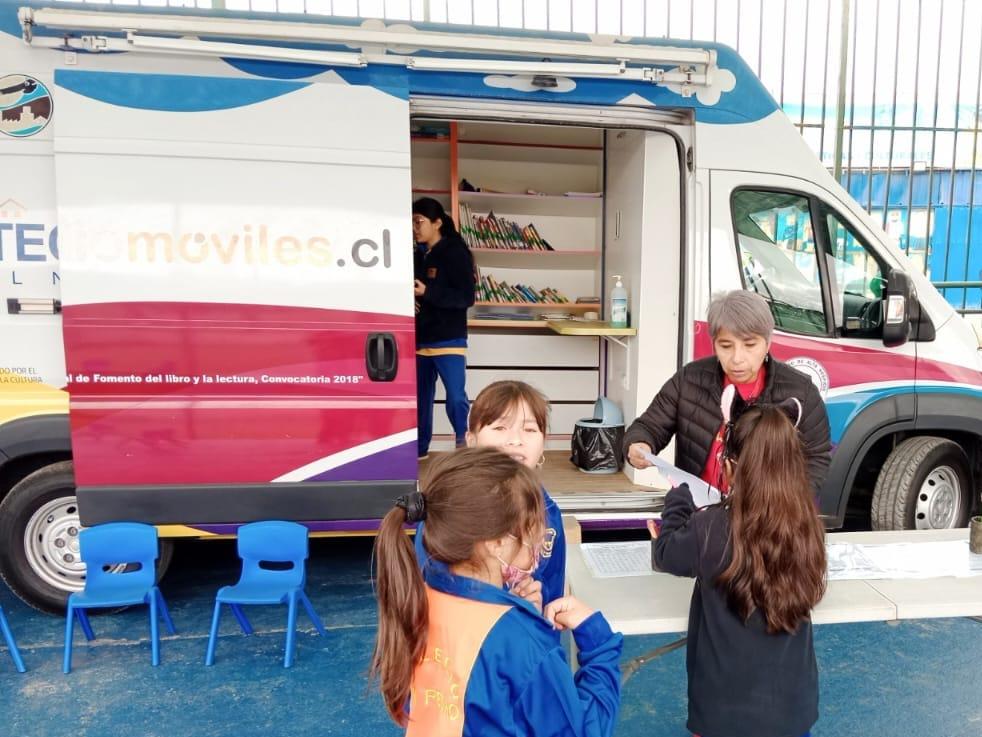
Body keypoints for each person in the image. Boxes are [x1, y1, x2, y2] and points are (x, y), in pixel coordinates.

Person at [371, 447, 623, 736]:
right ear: (496, 543)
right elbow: (582, 730)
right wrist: (598, 643)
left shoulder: (419, 599)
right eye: (532, 527)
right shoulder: (522, 641)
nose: (540, 539)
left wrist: (510, 610)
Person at [651, 401, 827, 737]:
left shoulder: (711, 527)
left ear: (731, 468)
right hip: (793, 711)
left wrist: (678, 501)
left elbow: (666, 553)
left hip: (724, 715)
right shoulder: (808, 526)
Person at [624, 290, 831, 495]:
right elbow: (649, 426)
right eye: (726, 346)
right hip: (695, 514)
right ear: (714, 343)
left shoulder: (800, 391)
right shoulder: (690, 379)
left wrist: (786, 506)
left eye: (750, 345)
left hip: (763, 519)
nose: (737, 358)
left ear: (767, 343)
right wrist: (639, 444)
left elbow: (816, 458)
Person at [415, 381, 567, 611]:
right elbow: (434, 594)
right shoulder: (448, 509)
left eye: (529, 429)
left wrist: (537, 601)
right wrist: (504, 604)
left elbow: (553, 595)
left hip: (526, 639)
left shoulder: (548, 512)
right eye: (500, 428)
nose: (516, 440)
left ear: (543, 443)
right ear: (472, 440)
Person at [412, 197, 476, 460]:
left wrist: (428, 292)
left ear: (437, 222)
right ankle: (419, 450)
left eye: (419, 222)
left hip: (449, 338)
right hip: (420, 339)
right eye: (412, 222)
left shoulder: (455, 252)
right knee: (421, 401)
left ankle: (464, 447)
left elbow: (465, 298)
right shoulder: (417, 253)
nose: (415, 227)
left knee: (455, 397)